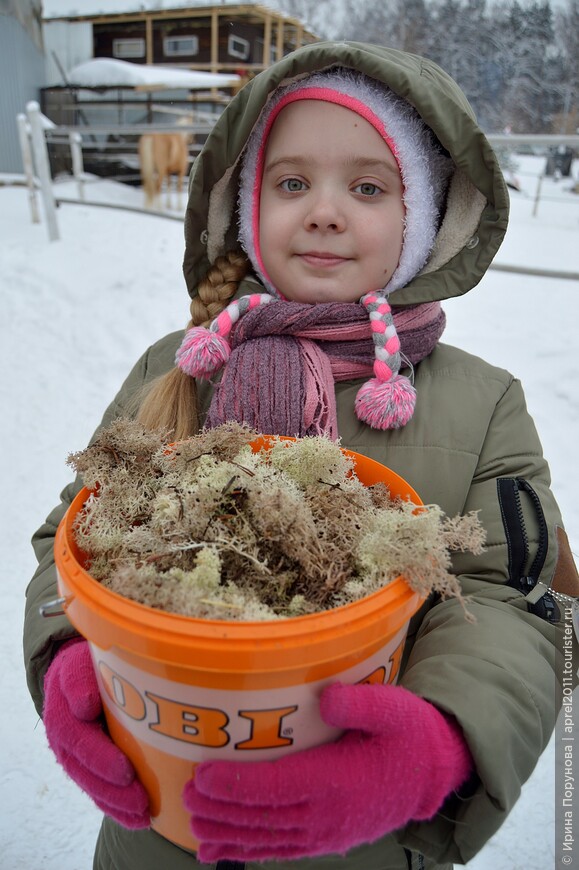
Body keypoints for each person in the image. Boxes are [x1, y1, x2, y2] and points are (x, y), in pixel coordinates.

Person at [24, 40, 579, 870]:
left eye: (366, 186)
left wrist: (439, 741)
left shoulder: (482, 400)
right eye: (291, 183)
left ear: (418, 220)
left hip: (363, 845)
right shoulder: (177, 368)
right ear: (250, 208)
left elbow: (520, 595)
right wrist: (71, 654)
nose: (322, 212)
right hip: (163, 827)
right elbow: (73, 536)